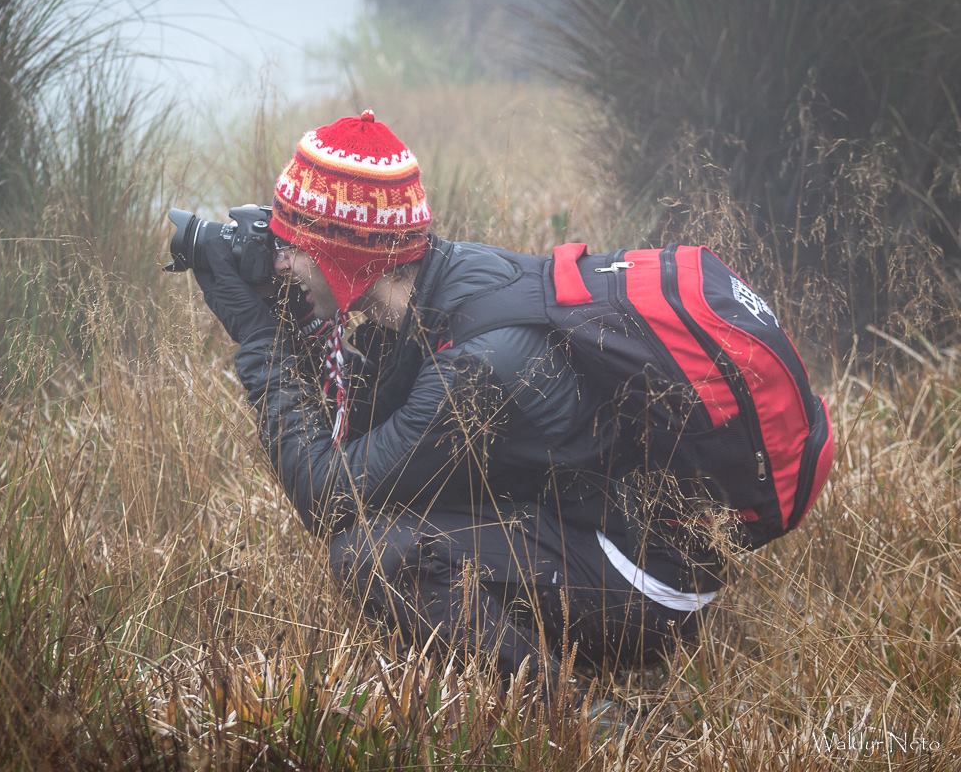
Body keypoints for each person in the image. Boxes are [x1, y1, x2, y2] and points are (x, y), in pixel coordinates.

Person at [192, 109, 725, 682]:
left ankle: (579, 717)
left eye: (294, 245)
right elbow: (361, 449)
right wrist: (295, 326)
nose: (281, 261)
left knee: (374, 558)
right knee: (393, 515)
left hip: (653, 584)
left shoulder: (475, 365)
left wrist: (260, 341)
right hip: (593, 526)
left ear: (345, 257)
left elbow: (329, 498)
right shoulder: (436, 290)